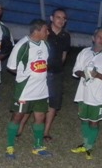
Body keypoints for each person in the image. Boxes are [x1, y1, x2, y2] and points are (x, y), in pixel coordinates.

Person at [19, 8, 70, 139]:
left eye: (64, 18)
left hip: (56, 74)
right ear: (52, 18)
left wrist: (57, 66)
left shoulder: (65, 36)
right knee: (32, 100)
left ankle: (46, 132)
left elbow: (64, 56)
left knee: (53, 103)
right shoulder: (44, 32)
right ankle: (20, 128)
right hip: (40, 72)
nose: (61, 20)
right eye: (58, 17)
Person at [70, 27, 102, 160]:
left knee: (94, 121)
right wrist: (84, 73)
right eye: (99, 37)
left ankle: (89, 146)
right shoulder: (84, 52)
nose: (101, 40)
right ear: (93, 38)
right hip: (83, 94)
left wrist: (97, 75)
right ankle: (85, 144)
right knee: (84, 119)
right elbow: (75, 71)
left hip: (97, 97)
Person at [5, 19, 51, 159]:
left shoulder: (46, 45)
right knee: (17, 116)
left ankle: (38, 146)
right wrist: (24, 75)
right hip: (25, 89)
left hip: (41, 90)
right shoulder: (22, 45)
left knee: (40, 117)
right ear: (36, 31)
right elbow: (11, 67)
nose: (48, 33)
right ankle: (10, 147)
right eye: (45, 30)